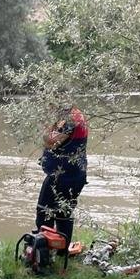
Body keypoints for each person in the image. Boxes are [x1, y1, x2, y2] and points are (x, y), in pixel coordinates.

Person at [35, 104, 88, 252]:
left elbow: (51, 142)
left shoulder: (71, 119)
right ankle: (59, 252)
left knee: (44, 212)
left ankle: (43, 252)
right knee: (62, 213)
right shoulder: (71, 116)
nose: (49, 107)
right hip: (72, 174)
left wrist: (44, 126)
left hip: (63, 176)